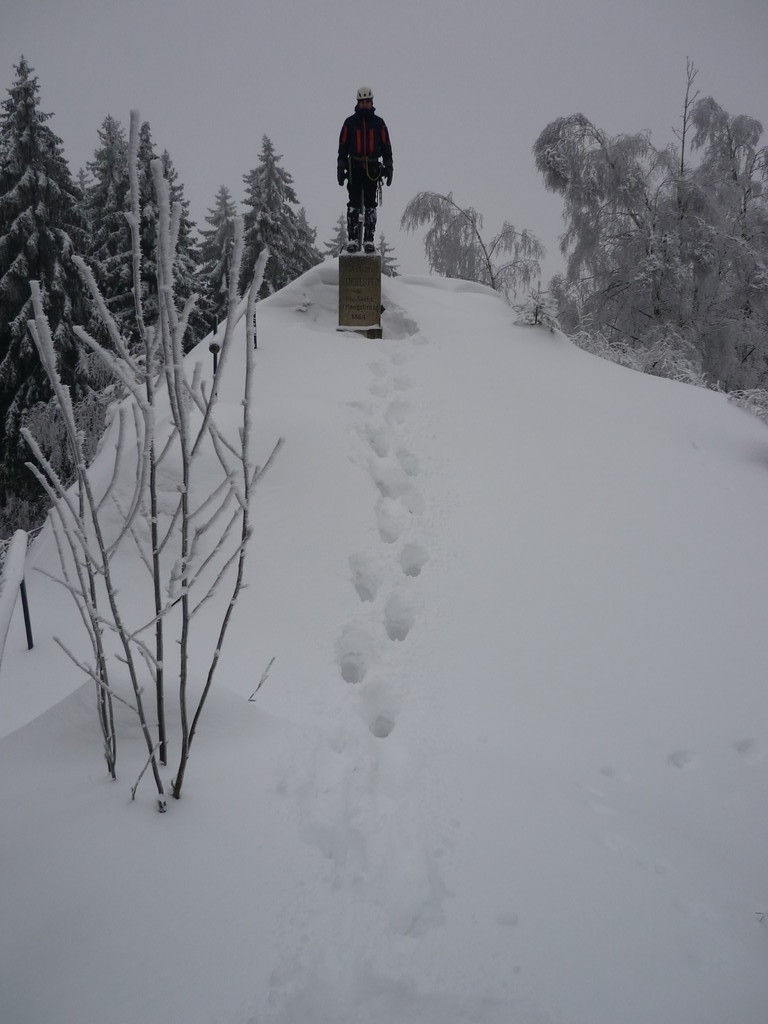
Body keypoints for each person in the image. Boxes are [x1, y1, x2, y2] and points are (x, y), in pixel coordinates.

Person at [337, 86, 393, 253]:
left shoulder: (379, 123)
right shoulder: (349, 123)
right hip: (354, 168)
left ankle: (368, 239)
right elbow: (342, 146)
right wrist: (340, 165)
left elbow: (386, 146)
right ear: (358, 103)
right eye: (362, 102)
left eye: (367, 102)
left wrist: (389, 164)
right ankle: (353, 238)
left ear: (372, 102)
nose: (365, 105)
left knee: (370, 205)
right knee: (353, 204)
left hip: (373, 169)